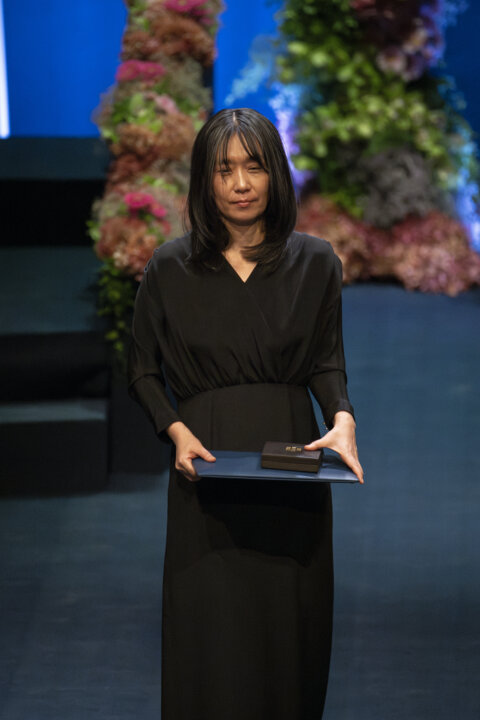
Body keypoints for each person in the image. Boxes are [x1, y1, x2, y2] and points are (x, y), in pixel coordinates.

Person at [128, 107, 363, 720]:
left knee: (288, 642)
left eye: (254, 167)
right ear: (205, 181)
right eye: (224, 169)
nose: (240, 183)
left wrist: (342, 418)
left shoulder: (316, 263)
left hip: (291, 476)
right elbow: (143, 370)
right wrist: (174, 430)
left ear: (275, 175)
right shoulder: (169, 269)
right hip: (204, 477)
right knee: (210, 644)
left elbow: (325, 363)